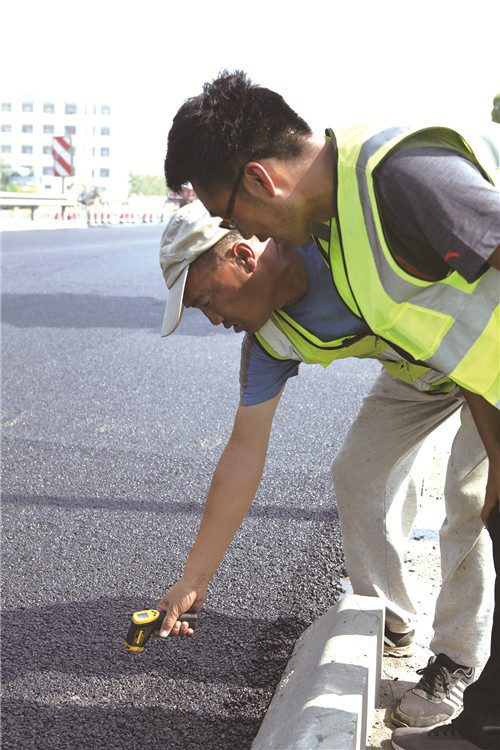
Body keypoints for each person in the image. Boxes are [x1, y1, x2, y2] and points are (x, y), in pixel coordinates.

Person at [159, 70, 500, 747]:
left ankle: (458, 664)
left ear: (241, 253)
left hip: (472, 355)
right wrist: (193, 579)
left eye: (205, 300)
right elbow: (243, 453)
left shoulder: (379, 189)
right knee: (359, 474)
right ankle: (393, 621)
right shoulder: (277, 325)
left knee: (474, 502)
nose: (212, 318)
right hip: (432, 362)